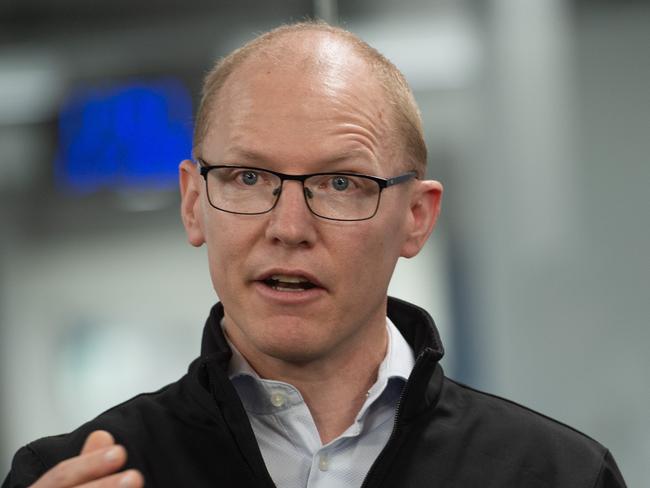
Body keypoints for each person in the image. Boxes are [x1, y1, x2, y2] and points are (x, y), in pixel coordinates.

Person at [3, 21, 626, 488]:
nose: (289, 226)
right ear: (194, 203)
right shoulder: (75, 475)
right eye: (247, 177)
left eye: (339, 183)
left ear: (416, 218)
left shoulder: (556, 476)